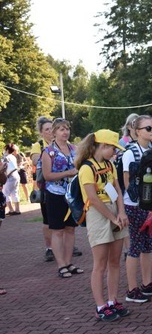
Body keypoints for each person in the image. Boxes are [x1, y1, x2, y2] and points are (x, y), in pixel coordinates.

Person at [75, 130, 130, 322]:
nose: (115, 152)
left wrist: (121, 212)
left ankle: (112, 300)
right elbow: (93, 199)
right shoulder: (86, 168)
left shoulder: (109, 164)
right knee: (100, 263)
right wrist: (113, 218)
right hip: (98, 214)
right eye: (113, 148)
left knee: (114, 261)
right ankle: (100, 306)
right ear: (103, 146)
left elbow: (117, 190)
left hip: (114, 209)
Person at [121, 115, 152, 304]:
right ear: (136, 132)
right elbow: (127, 180)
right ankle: (132, 288)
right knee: (135, 246)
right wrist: (139, 200)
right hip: (135, 205)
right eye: (147, 128)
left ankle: (147, 283)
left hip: (150, 205)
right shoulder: (130, 152)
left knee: (147, 245)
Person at [41, 118, 81, 278]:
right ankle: (61, 265)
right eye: (61, 129)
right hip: (55, 194)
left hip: (71, 194)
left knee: (71, 229)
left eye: (67, 129)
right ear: (54, 132)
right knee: (57, 230)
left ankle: (69, 262)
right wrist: (67, 173)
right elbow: (47, 175)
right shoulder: (49, 152)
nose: (65, 132)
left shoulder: (74, 149)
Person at [30, 116, 55, 261]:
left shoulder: (62, 143)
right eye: (47, 129)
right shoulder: (39, 145)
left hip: (62, 186)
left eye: (52, 128)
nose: (50, 132)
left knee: (65, 218)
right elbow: (34, 160)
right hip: (46, 187)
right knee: (47, 219)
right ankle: (49, 248)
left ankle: (66, 245)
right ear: (41, 132)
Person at [2, 144, 21, 215]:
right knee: (15, 192)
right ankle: (17, 209)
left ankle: (11, 210)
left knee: (6, 193)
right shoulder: (13, 157)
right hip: (16, 175)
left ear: (7, 150)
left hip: (9, 176)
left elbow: (4, 166)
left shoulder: (5, 157)